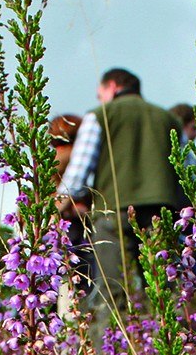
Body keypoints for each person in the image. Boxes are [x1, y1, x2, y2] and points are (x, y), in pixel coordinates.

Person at [55, 68, 186, 341]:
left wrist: (55, 206)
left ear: (112, 86)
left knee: (110, 296)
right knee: (165, 296)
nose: (98, 97)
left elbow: (78, 175)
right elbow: (189, 172)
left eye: (100, 91)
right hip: (162, 215)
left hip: (112, 214)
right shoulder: (169, 119)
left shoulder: (100, 116)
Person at [48, 113, 93, 289]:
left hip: (47, 233)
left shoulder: (49, 158)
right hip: (72, 230)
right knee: (77, 286)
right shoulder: (74, 156)